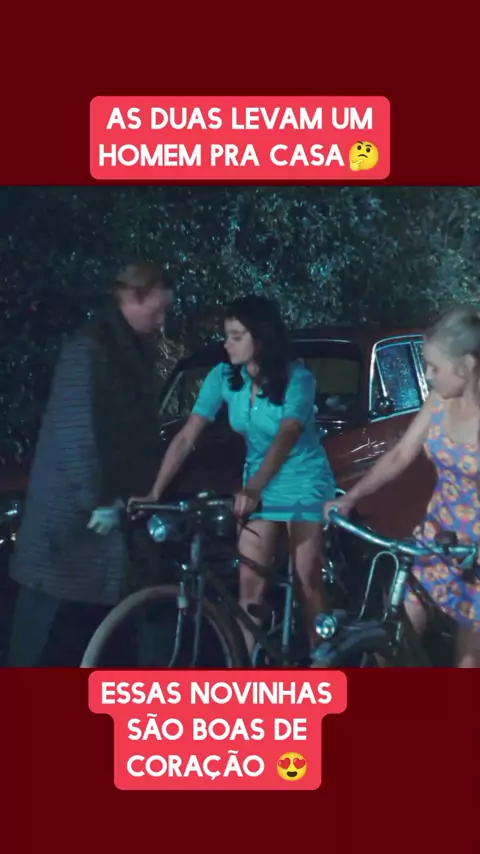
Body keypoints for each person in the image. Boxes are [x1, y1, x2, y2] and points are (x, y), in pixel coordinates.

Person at [130, 295, 336, 654]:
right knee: (249, 586)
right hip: (257, 485)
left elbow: (287, 433)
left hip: (303, 481)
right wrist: (155, 492)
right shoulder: (224, 377)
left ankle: (324, 660)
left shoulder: (298, 379)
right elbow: (187, 436)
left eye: (237, 336)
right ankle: (244, 667)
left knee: (307, 579)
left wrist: (253, 487)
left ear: (261, 337)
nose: (227, 344)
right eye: (227, 335)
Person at [7, 262, 174, 666]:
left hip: (117, 507)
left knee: (147, 605)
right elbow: (74, 433)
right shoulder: (89, 351)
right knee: (43, 613)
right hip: (71, 517)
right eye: (157, 311)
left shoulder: (129, 351)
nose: (162, 322)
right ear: (132, 299)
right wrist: (96, 500)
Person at [324, 305, 480, 668]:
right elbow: (400, 455)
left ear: (467, 366)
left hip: (475, 553)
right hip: (436, 538)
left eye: (435, 367)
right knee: (395, 638)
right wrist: (350, 498)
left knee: (467, 663)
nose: (427, 375)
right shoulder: (439, 401)